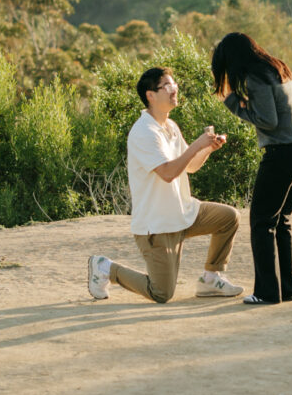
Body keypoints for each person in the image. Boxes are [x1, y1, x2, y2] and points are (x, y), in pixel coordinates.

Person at [87, 66, 244, 304]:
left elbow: (189, 166)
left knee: (228, 217)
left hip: (184, 213)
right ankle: (106, 268)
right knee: (161, 292)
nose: (174, 90)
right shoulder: (144, 131)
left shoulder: (170, 126)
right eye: (167, 86)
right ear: (150, 95)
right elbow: (168, 173)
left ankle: (210, 279)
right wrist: (196, 145)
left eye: (175, 85)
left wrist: (207, 148)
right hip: (157, 225)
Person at [212, 33, 292, 306]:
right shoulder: (277, 68)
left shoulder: (255, 78)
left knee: (261, 222)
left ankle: (268, 292)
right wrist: (249, 104)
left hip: (282, 153)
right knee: (281, 221)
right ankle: (288, 288)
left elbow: (268, 121)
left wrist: (233, 102)